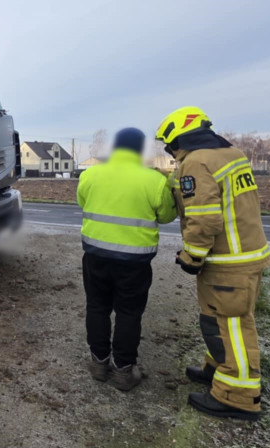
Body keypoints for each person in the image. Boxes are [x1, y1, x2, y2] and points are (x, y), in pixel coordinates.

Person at [156, 106, 270, 421]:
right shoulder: (232, 154)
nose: (172, 153)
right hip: (247, 254)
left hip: (227, 262)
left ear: (180, 137)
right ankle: (218, 369)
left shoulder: (195, 162)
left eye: (171, 145)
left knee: (230, 325)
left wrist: (191, 256)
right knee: (224, 320)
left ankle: (237, 396)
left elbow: (203, 218)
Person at [76, 128, 177, 391]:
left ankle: (98, 363)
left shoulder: (90, 174)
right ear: (139, 150)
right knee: (128, 313)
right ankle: (123, 370)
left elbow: (82, 202)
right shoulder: (153, 180)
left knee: (97, 307)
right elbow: (166, 216)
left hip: (95, 256)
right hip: (134, 263)